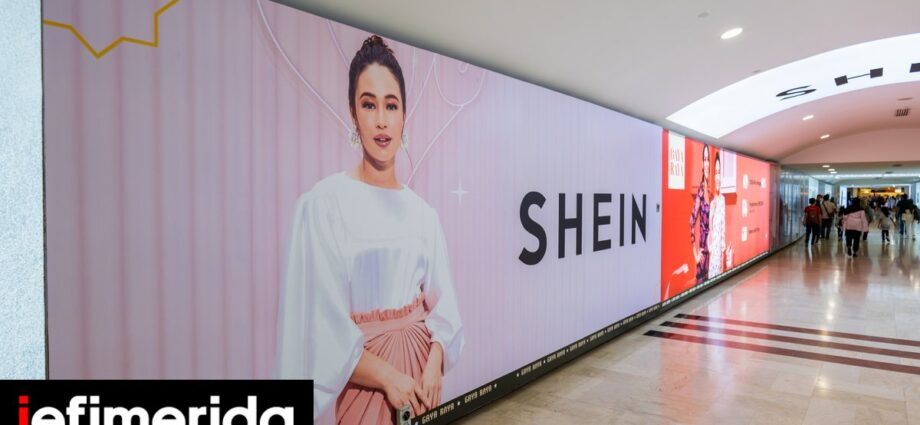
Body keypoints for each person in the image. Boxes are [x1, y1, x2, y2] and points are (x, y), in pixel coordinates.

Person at [275, 35, 464, 424]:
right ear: (353, 112)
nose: (381, 120)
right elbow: (321, 329)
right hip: (367, 387)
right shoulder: (324, 205)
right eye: (368, 104)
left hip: (420, 386)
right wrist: (389, 378)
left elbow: (445, 304)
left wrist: (434, 361)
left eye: (391, 105)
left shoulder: (423, 213)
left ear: (404, 115)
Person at [707, 153, 732, 276]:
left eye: (719, 173)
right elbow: (710, 227)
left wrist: (723, 245)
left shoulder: (723, 200)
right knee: (712, 273)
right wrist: (710, 243)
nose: (717, 177)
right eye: (716, 172)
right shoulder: (712, 201)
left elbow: (723, 225)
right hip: (713, 247)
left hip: (719, 247)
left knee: (719, 273)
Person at [689, 144, 712, 285]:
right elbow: (691, 221)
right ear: (702, 164)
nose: (707, 163)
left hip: (712, 256)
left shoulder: (711, 192)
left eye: (708, 159)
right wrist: (695, 254)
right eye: (705, 159)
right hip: (703, 258)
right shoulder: (701, 192)